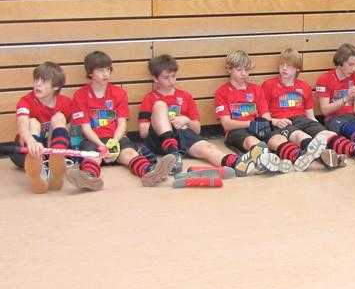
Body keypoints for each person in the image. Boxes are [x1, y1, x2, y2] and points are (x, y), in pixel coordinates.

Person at [138, 54, 272, 177]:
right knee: (160, 105)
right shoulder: (150, 98)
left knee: (209, 148)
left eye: (173, 76)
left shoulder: (185, 96)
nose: (171, 81)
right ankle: (173, 152)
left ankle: (237, 163)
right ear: (155, 79)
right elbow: (144, 132)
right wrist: (165, 121)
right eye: (166, 78)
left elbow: (197, 130)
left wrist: (187, 121)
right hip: (159, 139)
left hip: (182, 134)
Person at [67, 51, 175, 191]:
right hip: (92, 140)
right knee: (93, 158)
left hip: (116, 138)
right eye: (100, 70)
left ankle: (150, 172)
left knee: (130, 154)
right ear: (90, 73)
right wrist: (101, 145)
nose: (106, 74)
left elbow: (122, 123)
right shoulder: (80, 95)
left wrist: (114, 142)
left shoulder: (119, 93)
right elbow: (85, 128)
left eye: (108, 69)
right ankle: (89, 178)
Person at [262, 48, 355, 168]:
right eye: (282, 65)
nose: (284, 68)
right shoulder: (269, 85)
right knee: (300, 135)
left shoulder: (304, 86)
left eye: (289, 65)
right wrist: (275, 121)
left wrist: (320, 128)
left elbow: (310, 116)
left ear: (297, 68)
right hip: (284, 122)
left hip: (302, 120)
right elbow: (264, 114)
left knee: (326, 134)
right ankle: (324, 157)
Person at [214, 50, 322, 173]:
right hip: (237, 130)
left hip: (259, 127)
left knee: (278, 138)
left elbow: (266, 116)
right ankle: (266, 159)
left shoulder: (256, 90)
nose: (244, 74)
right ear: (229, 69)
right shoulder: (221, 93)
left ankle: (298, 157)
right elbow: (226, 124)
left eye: (247, 70)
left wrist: (270, 122)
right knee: (252, 142)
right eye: (239, 70)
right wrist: (251, 124)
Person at [12, 62, 72, 193]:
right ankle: (39, 168)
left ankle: (56, 156)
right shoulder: (25, 101)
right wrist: (31, 142)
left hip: (51, 145)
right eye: (36, 80)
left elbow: (76, 128)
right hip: (29, 147)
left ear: (56, 86)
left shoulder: (66, 103)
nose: (37, 84)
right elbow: (22, 124)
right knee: (32, 122)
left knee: (59, 118)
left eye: (44, 81)